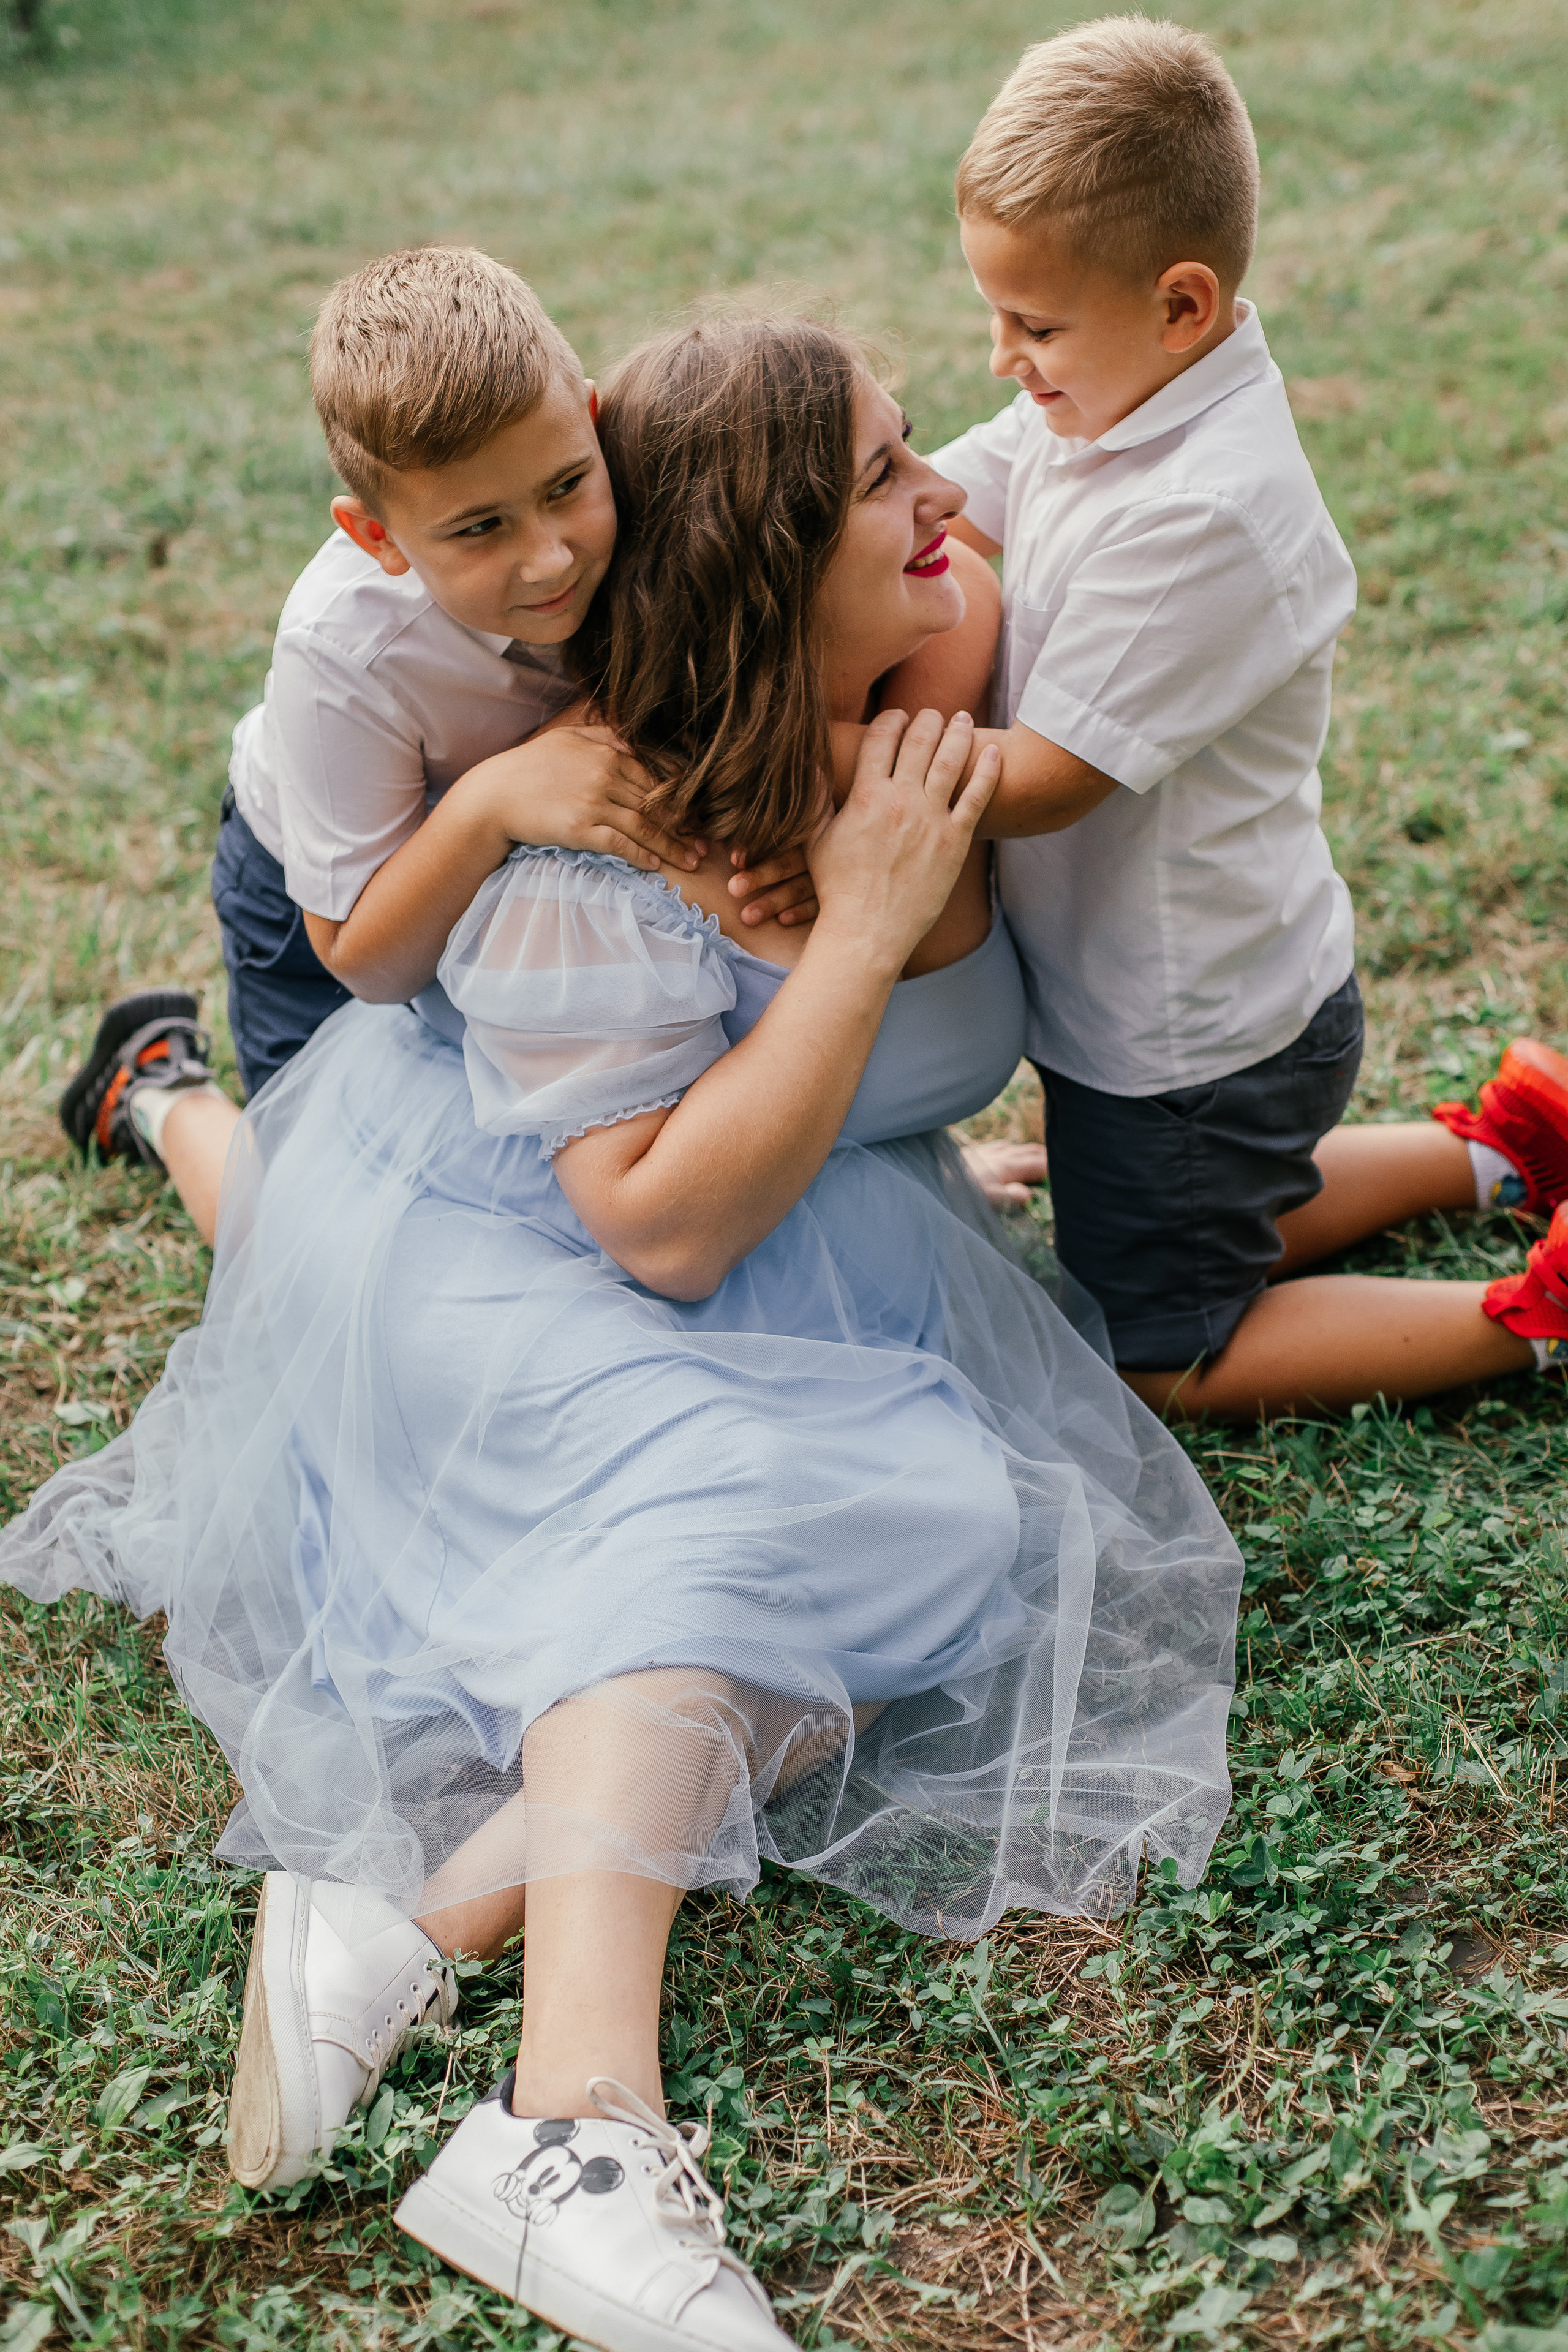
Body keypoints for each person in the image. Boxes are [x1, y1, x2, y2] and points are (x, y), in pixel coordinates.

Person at [0, 312, 1243, 2352]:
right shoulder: (602, 845)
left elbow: (1050, 570)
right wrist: (853, 930)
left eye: (918, 448)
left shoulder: (924, 672)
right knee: (726, 1498)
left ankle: (412, 1917)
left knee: (941, 1511)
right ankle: (574, 2126)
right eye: (882, 478)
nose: (945, 498)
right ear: (767, 566)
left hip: (785, 1225)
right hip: (493, 1248)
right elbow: (658, 1233)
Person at [824, 14, 1568, 1418]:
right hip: (1211, 1013)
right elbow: (949, 501)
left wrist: (823, 752)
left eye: (1031, 325)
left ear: (1180, 304)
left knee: (1161, 1340)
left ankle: (1518, 1320)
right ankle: (1501, 1150)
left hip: (1185, 1036)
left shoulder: (1203, 508)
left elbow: (1045, 778)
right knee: (1217, 1213)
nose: (1000, 359)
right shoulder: (1106, 403)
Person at [55, 246, 828, 1245]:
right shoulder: (343, 648)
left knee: (535, 1197)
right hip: (332, 902)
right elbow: (364, 960)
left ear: (594, 422)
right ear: (376, 537)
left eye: (565, 488)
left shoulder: (642, 494)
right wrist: (491, 804)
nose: (548, 556)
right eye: (478, 530)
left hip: (536, 899)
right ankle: (155, 1092)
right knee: (311, 1243)